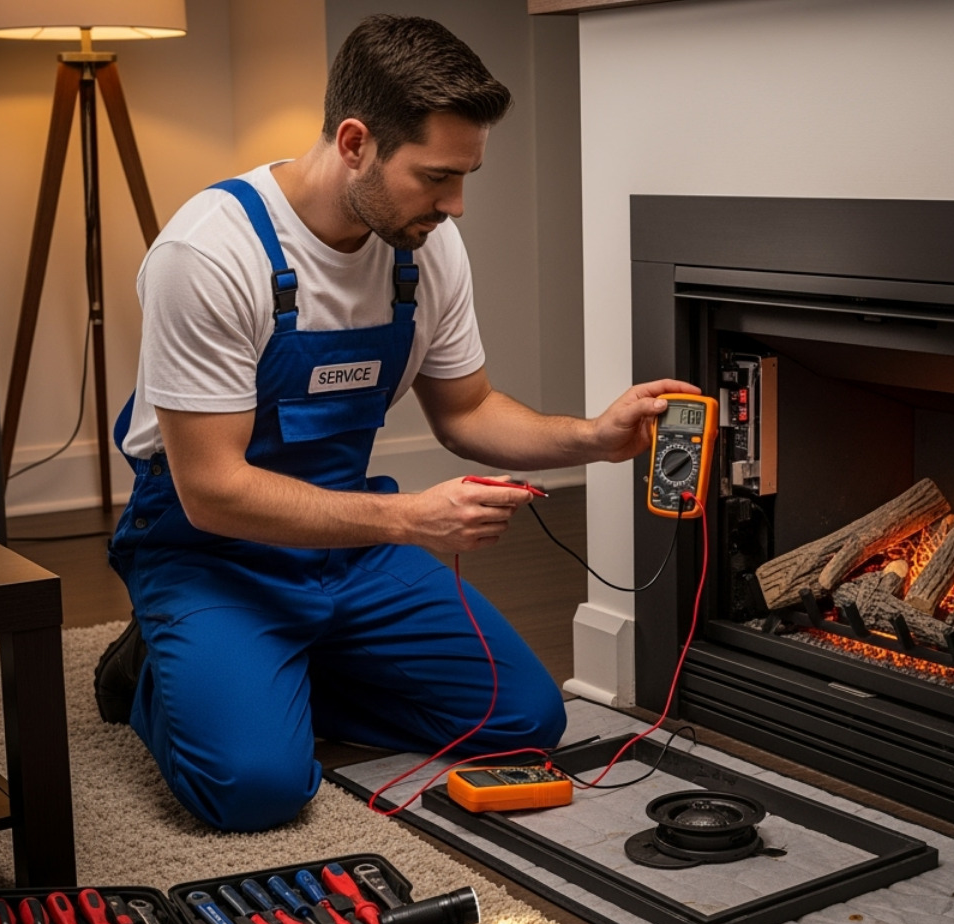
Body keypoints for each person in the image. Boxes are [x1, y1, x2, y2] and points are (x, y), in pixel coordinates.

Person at [94, 14, 694, 832]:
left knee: (524, 722)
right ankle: (151, 672)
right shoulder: (208, 254)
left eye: (466, 176)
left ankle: (281, 674)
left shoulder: (426, 247)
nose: (456, 206)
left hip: (350, 550)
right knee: (258, 788)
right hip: (215, 553)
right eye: (437, 177)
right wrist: (409, 518)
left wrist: (592, 438)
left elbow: (468, 409)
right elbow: (212, 491)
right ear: (354, 142)